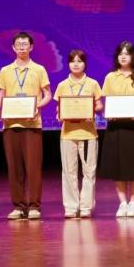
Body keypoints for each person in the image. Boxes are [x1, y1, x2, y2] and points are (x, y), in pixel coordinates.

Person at [0, 31, 52, 220]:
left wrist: (37, 106)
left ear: (31, 47)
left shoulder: (39, 69)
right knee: (14, 168)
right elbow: (1, 96)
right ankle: (18, 206)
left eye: (25, 44)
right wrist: (2, 109)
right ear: (13, 47)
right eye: (18, 44)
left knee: (33, 167)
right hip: (10, 124)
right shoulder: (5, 71)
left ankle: (34, 206)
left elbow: (48, 95)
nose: (21, 47)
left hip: (32, 123)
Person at [99, 41, 134, 217]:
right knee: (119, 166)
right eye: (120, 54)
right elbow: (107, 101)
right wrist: (108, 112)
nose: (123, 57)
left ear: (133, 56)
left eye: (127, 53)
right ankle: (122, 203)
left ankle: (133, 203)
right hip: (116, 126)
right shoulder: (110, 77)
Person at [54, 49, 102, 218]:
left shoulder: (92, 83)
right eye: (73, 61)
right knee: (69, 172)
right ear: (68, 64)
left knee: (89, 172)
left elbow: (99, 105)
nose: (76, 64)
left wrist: (92, 111)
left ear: (85, 64)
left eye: (79, 61)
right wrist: (59, 115)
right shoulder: (62, 85)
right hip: (67, 134)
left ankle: (86, 206)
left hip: (88, 133)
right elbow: (59, 107)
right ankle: (71, 207)